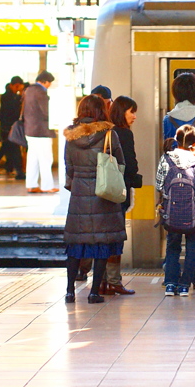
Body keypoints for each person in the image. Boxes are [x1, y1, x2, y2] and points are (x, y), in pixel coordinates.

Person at [62, 94, 127, 304]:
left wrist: (77, 185)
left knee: (76, 244)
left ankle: (70, 291)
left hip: (80, 193)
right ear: (102, 111)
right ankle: (94, 292)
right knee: (101, 243)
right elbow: (120, 164)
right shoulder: (109, 134)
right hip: (103, 194)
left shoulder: (71, 137)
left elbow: (68, 168)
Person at [158, 124, 195, 297]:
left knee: (172, 246)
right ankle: (184, 285)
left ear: (177, 139)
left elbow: (159, 184)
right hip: (192, 213)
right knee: (192, 246)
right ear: (194, 143)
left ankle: (170, 284)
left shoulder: (166, 158)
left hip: (171, 212)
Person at [103, 95, 142, 296]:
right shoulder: (124, 135)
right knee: (117, 237)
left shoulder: (105, 131)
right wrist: (135, 177)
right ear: (122, 112)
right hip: (119, 191)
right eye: (131, 112)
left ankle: (102, 282)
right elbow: (130, 165)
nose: (134, 116)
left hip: (104, 192)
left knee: (104, 237)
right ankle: (114, 281)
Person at [25, 71, 57, 193]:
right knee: (46, 158)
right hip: (41, 131)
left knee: (32, 158)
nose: (49, 86)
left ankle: (31, 185)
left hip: (30, 129)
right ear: (45, 82)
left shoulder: (28, 90)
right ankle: (47, 186)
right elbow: (46, 111)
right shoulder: (41, 92)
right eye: (49, 83)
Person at [0, 78, 26, 181]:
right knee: (13, 150)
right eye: (17, 87)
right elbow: (12, 113)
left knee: (7, 149)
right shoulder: (9, 97)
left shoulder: (9, 97)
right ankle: (19, 172)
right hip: (9, 128)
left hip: (8, 128)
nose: (18, 89)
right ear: (13, 85)